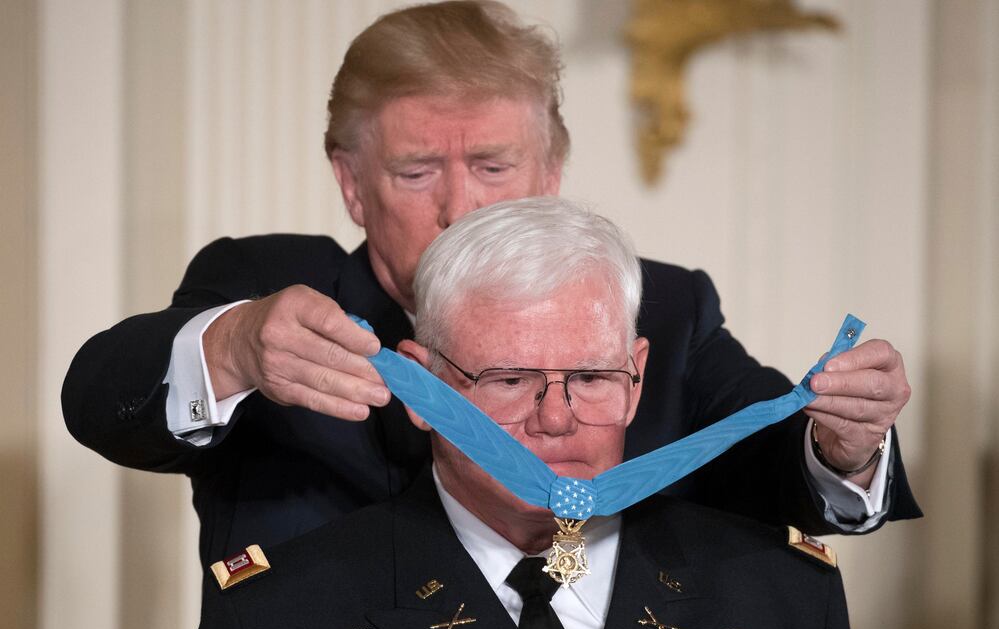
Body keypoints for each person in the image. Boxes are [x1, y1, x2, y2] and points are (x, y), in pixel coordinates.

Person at [62, 0, 918, 569]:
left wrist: (844, 447)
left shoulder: (659, 305)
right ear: (351, 183)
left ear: (550, 172)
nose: (459, 205)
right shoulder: (265, 286)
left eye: (491, 164)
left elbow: (772, 466)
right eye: (415, 171)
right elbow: (99, 400)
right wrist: (232, 344)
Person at [192, 198, 855, 629]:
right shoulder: (277, 618)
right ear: (422, 392)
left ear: (637, 378)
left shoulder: (785, 593)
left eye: (593, 377)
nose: (557, 418)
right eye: (508, 381)